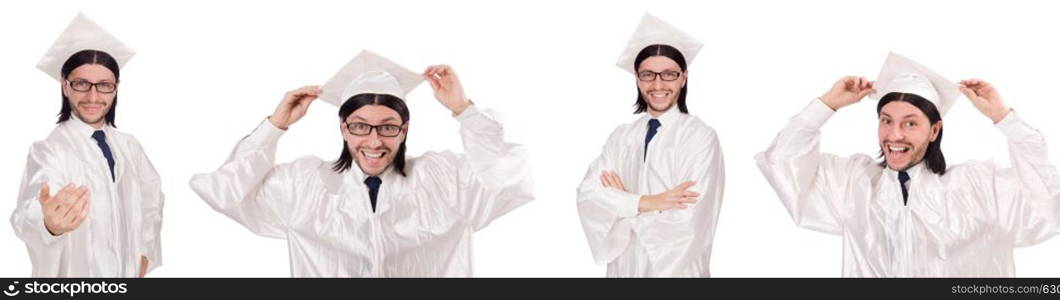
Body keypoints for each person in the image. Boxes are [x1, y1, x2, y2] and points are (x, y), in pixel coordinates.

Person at [189, 50, 534, 277]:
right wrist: (275, 126)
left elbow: (510, 179)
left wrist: (464, 110)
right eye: (359, 127)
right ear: (343, 128)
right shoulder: (305, 184)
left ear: (404, 130)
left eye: (387, 127)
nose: (373, 141)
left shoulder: (443, 180)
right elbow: (225, 193)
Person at [755, 52, 1060, 276]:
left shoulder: (977, 187)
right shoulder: (855, 185)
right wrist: (826, 104)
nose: (894, 135)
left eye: (910, 124)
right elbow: (783, 162)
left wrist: (1003, 117)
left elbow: (1046, 202)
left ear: (934, 130)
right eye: (886, 120)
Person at [10, 13, 164, 277]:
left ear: (116, 88)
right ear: (65, 86)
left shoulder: (130, 146)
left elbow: (152, 201)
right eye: (81, 84)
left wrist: (145, 254)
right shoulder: (50, 150)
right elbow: (25, 215)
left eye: (104, 85)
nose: (93, 96)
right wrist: (48, 224)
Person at [576, 14, 725, 277]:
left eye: (668, 74)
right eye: (648, 75)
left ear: (684, 77)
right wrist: (650, 201)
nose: (658, 84)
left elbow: (691, 218)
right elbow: (588, 195)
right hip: (624, 268)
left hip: (675, 272)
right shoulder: (620, 137)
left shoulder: (700, 137)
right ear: (637, 78)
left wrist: (623, 205)